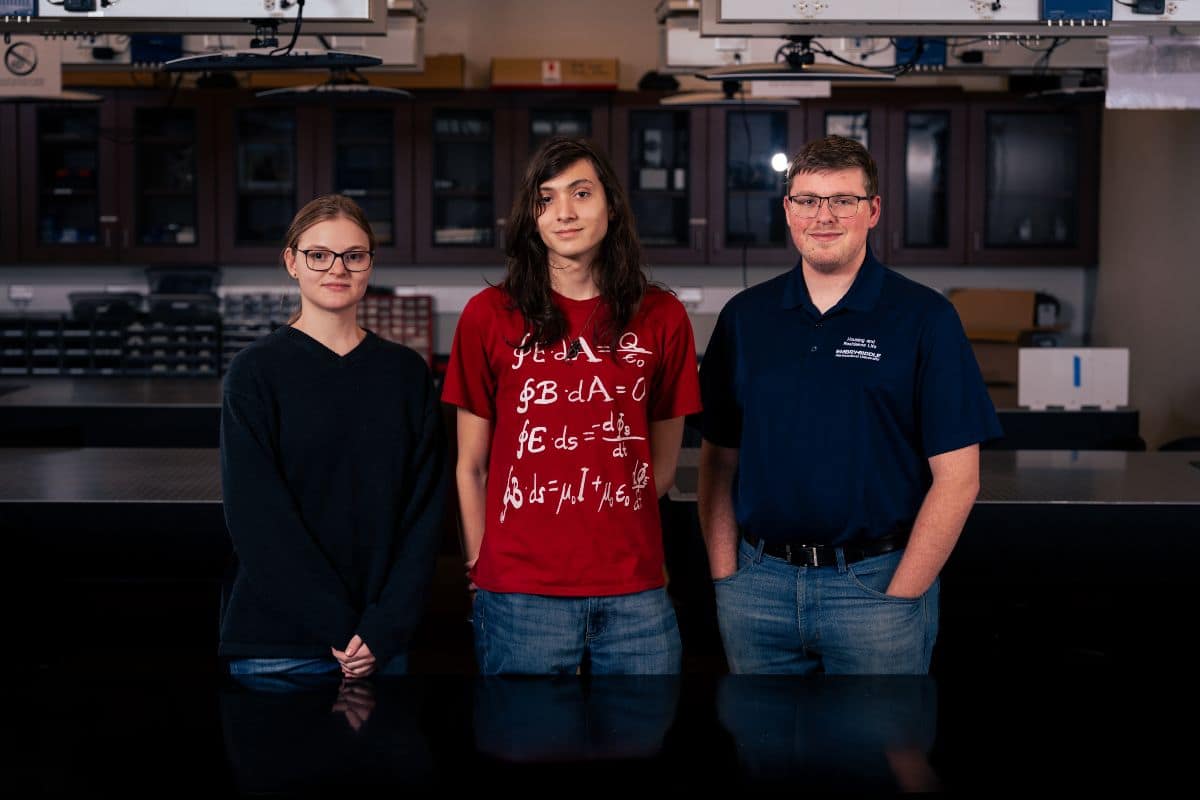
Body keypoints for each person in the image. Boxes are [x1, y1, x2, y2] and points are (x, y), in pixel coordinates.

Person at [698, 135, 1001, 675]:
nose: (825, 216)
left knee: (874, 757)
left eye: (844, 200)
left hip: (876, 586)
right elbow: (718, 462)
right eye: (809, 200)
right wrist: (728, 580)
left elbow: (960, 479)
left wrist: (900, 598)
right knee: (764, 754)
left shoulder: (926, 319)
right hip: (757, 590)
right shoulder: (746, 318)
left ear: (873, 210)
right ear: (788, 210)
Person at [442, 137, 702, 675]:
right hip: (519, 595)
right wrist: (478, 563)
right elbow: (471, 465)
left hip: (636, 593)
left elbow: (661, 467)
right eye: (546, 198)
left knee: (644, 746)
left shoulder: (663, 317)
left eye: (580, 193)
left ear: (609, 204)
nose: (564, 212)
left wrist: (606, 524)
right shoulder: (489, 315)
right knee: (527, 748)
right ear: (530, 216)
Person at [220, 193, 447, 680]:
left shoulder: (406, 374)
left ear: (369, 264)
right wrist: (339, 626)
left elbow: (424, 513)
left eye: (354, 255)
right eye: (318, 255)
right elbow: (258, 519)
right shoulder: (255, 372)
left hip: (382, 644)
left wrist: (385, 625)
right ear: (292, 263)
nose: (336, 269)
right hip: (278, 646)